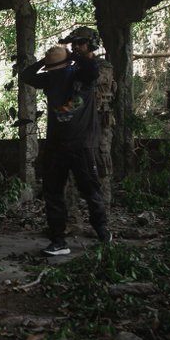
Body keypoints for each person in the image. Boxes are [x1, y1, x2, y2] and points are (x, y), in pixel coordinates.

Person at [19, 26, 112, 256]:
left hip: (81, 144)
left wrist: (70, 55)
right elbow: (27, 76)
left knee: (90, 191)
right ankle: (59, 241)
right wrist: (49, 58)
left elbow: (91, 69)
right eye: (74, 45)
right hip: (57, 145)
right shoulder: (53, 77)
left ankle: (103, 234)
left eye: (81, 44)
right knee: (53, 192)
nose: (76, 47)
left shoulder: (83, 72)